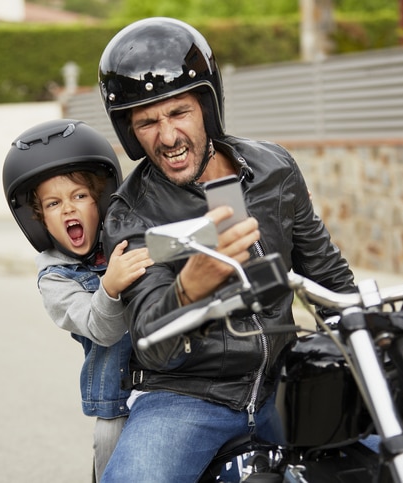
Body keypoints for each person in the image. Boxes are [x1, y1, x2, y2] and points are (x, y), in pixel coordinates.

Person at [96, 18, 356, 482]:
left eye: (179, 113)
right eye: (148, 122)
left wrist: (366, 330)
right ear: (131, 132)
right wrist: (187, 289)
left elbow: (327, 275)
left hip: (284, 381)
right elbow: (151, 344)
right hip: (186, 397)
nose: (168, 136)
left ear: (207, 107)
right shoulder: (128, 214)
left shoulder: (272, 167)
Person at [1, 119, 153, 482]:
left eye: (79, 196)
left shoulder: (127, 237)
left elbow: (177, 247)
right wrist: (111, 287)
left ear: (100, 201)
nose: (68, 209)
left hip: (173, 382)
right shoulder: (55, 279)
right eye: (53, 203)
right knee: (112, 454)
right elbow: (101, 328)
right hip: (117, 403)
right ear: (40, 222)